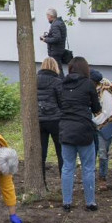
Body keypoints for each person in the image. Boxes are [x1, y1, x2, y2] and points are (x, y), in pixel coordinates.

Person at [58, 57, 101, 211]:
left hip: (66, 129)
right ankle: (90, 202)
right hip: (84, 129)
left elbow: (59, 104)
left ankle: (66, 202)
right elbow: (96, 107)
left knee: (67, 167)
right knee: (88, 167)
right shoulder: (89, 84)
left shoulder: (61, 83)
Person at [36, 56, 64, 188]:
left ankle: (42, 183)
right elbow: (61, 102)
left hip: (39, 120)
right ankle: (64, 182)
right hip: (55, 120)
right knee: (61, 152)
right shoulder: (57, 81)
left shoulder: (33, 80)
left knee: (41, 153)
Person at [92, 69, 112, 186]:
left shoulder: (105, 93)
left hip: (104, 126)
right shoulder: (93, 91)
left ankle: (102, 176)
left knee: (102, 152)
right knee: (92, 151)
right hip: (95, 125)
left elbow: (107, 113)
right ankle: (91, 175)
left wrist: (93, 121)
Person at [39, 8, 68, 76]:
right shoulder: (60, 23)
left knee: (57, 69)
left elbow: (57, 38)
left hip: (55, 51)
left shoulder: (55, 25)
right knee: (58, 68)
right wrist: (47, 36)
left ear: (50, 16)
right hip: (59, 49)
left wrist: (45, 39)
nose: (47, 18)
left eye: (47, 16)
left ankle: (60, 83)